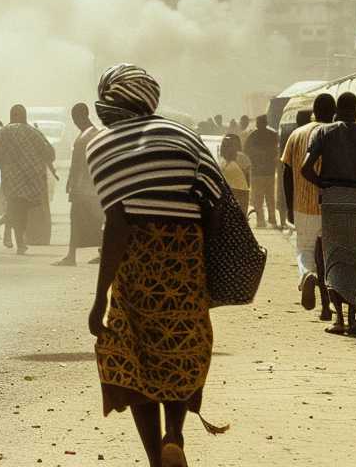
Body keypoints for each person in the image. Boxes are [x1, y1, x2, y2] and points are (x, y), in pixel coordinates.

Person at [87, 64, 224, 467]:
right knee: (179, 351)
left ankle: (154, 459)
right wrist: (203, 269)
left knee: (132, 362)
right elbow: (214, 208)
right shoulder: (187, 138)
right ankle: (175, 434)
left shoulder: (104, 145)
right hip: (185, 262)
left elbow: (116, 225)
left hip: (136, 270)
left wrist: (99, 298)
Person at [301, 92, 356, 336]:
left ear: (338, 109)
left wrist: (324, 184)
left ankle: (338, 320)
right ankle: (353, 320)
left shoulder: (323, 133)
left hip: (332, 200)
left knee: (334, 259)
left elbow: (305, 168)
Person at [282, 99, 336, 318]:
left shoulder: (296, 134)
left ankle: (306, 275)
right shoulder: (335, 133)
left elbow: (287, 173)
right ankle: (326, 307)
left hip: (302, 203)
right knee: (327, 256)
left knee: (305, 250)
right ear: (334, 112)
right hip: (330, 202)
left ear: (313, 112)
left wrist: (288, 206)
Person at [0, 105, 55, 255]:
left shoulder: (3, 132)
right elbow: (49, 153)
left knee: (15, 207)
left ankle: (8, 231)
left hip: (10, 179)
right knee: (22, 210)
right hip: (29, 180)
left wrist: (4, 165)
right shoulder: (33, 132)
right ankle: (18, 241)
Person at [56, 102, 102, 266]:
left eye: (75, 118)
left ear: (81, 116)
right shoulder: (94, 134)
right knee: (94, 220)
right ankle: (100, 251)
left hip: (83, 188)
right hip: (91, 188)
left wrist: (70, 182)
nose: (74, 122)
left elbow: (77, 165)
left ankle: (71, 256)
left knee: (77, 220)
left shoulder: (85, 138)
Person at [243, 115, 281, 229]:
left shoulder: (252, 136)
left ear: (257, 124)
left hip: (256, 172)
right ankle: (272, 219)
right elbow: (277, 151)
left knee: (258, 198)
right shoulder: (273, 135)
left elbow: (246, 152)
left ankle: (260, 220)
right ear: (266, 123)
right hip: (269, 171)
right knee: (270, 197)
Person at [218, 134, 251, 218]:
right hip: (242, 190)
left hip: (227, 191)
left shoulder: (221, 160)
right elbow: (247, 176)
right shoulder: (242, 157)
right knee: (241, 217)